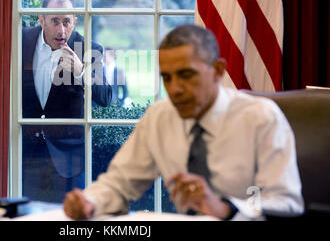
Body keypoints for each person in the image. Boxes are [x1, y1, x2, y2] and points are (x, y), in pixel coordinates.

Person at [63, 24, 304, 220]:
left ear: (218, 71)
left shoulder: (261, 118)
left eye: (186, 75)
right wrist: (89, 202)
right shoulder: (159, 117)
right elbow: (119, 183)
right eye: (167, 78)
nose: (175, 89)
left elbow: (286, 202)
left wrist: (224, 209)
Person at [22, 0, 112, 202]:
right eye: (55, 21)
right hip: (25, 155)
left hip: (69, 160)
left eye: (66, 22)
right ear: (41, 19)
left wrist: (81, 72)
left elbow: (106, 98)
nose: (61, 30)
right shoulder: (21, 40)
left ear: (75, 22)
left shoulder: (89, 49)